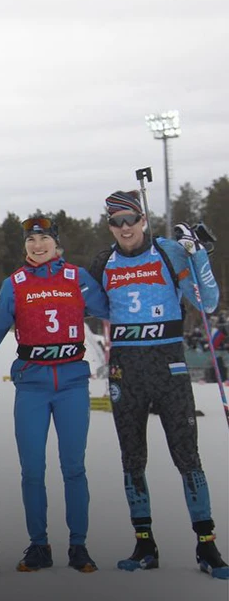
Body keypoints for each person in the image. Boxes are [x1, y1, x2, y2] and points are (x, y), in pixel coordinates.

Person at [90, 190, 228, 580]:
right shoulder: (104, 261)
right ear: (110, 226)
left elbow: (209, 304)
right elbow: (99, 307)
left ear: (143, 219)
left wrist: (197, 253)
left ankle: (207, 544)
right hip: (126, 370)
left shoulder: (168, 253)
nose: (124, 228)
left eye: (130, 219)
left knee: (188, 456)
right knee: (132, 458)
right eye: (116, 221)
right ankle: (144, 543)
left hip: (169, 366)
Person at [0, 215, 108, 573]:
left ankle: (78, 545)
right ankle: (39, 545)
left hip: (71, 382)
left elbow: (108, 307)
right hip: (33, 383)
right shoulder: (15, 283)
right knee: (32, 470)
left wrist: (109, 275)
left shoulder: (76, 277)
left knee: (73, 467)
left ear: (56, 243)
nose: (38, 246)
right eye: (31, 241)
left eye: (44, 239)